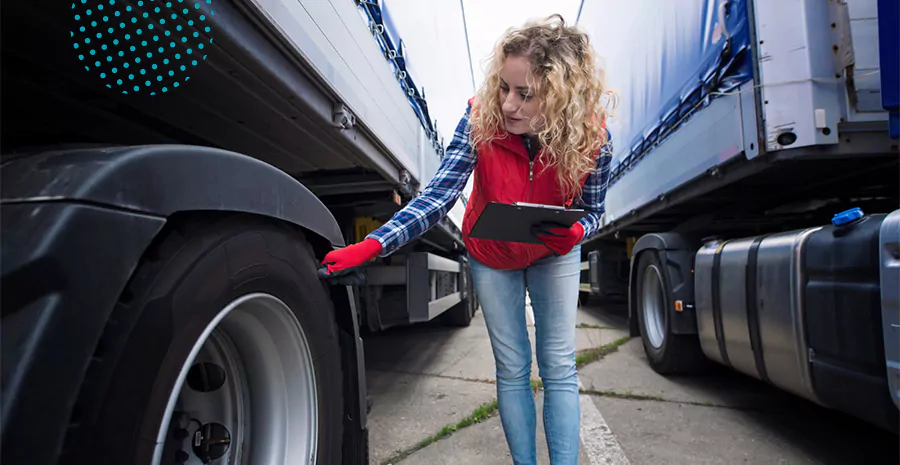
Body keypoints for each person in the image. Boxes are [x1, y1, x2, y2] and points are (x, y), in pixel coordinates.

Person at [321, 14, 613, 465]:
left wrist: (577, 232)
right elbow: (439, 196)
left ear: (561, 96)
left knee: (558, 367)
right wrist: (375, 244)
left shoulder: (594, 140)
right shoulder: (481, 119)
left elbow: (595, 211)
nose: (509, 104)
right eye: (504, 87)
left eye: (525, 94)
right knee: (513, 368)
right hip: (492, 253)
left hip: (554, 253)